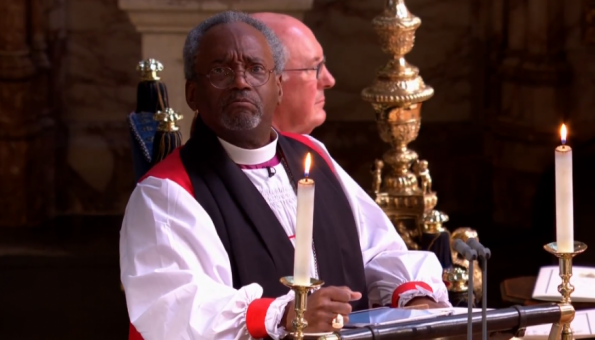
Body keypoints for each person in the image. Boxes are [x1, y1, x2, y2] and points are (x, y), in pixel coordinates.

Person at [121, 11, 450, 340]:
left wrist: (414, 297)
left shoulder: (312, 155)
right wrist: (286, 314)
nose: (240, 81)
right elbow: (177, 308)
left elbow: (376, 250)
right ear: (192, 93)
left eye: (255, 69)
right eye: (220, 70)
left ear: (277, 86)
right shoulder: (166, 192)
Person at [251, 13, 335, 135]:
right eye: (316, 67)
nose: (329, 81)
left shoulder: (314, 149)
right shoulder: (229, 153)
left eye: (323, 63)